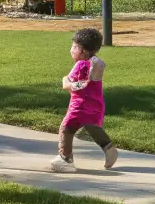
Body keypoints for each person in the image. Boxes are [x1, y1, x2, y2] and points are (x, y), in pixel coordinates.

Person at [49, 27, 118, 173]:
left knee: (66, 128)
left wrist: (64, 79)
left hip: (80, 106)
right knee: (92, 127)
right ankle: (109, 149)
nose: (71, 50)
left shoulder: (81, 65)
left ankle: (65, 159)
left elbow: (68, 85)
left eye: (75, 47)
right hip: (96, 105)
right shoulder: (96, 63)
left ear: (84, 51)